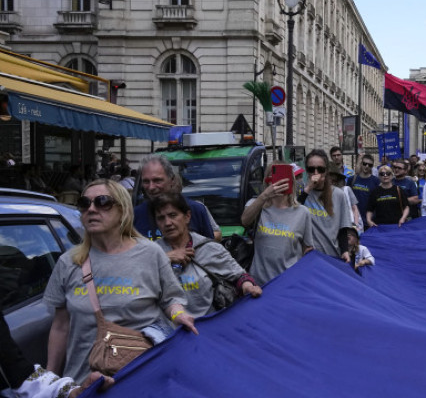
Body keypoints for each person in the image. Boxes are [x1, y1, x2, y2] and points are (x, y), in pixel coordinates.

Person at [42, 181, 197, 385]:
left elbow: (170, 299)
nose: (91, 209)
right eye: (84, 203)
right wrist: (50, 380)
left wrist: (180, 315)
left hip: (143, 378)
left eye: (102, 202)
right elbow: (61, 326)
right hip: (85, 384)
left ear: (122, 210)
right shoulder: (68, 262)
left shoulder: (150, 253)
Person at [152, 192, 262, 316]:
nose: (167, 223)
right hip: (169, 330)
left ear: (187, 216)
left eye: (173, 215)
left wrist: (247, 286)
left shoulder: (209, 248)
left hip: (208, 326)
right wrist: (165, 258)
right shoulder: (151, 253)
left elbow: (240, 276)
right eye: (161, 218)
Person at [241, 163, 314, 286]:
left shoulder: (302, 212)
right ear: (267, 181)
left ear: (291, 182)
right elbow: (245, 221)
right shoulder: (257, 205)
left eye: (284, 179)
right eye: (274, 179)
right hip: (259, 284)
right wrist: (264, 195)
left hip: (289, 283)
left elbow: (307, 248)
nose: (279, 184)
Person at [133, 154, 220, 241]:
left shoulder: (196, 210)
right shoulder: (135, 215)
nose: (151, 187)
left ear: (172, 180)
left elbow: (209, 249)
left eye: (157, 180)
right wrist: (166, 254)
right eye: (146, 181)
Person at [301, 149, 357, 258]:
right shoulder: (303, 194)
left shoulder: (338, 195)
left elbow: (343, 227)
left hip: (332, 255)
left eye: (320, 169)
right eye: (311, 169)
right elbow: (295, 215)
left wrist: (345, 251)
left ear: (326, 171)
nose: (316, 173)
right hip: (309, 256)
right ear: (307, 171)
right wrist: (308, 189)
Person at [348, 154, 379, 228]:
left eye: (370, 165)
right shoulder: (352, 179)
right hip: (354, 220)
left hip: (369, 221)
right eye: (365, 164)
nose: (367, 166)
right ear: (361, 164)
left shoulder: (376, 181)